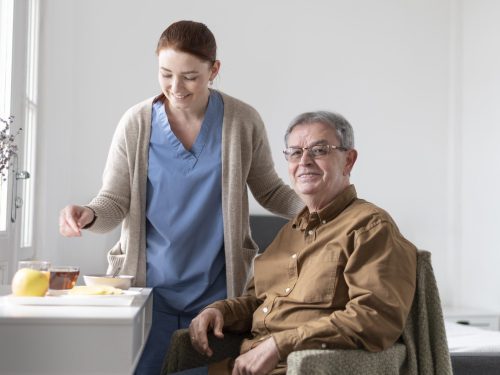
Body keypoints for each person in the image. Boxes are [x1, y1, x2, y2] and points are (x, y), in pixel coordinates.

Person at [58, 20, 303, 375]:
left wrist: (320, 210)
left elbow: (269, 190)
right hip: (147, 292)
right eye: (166, 74)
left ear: (214, 70)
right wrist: (87, 214)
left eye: (190, 76)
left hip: (214, 294)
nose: (176, 87)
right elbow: (112, 202)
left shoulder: (242, 121)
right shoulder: (136, 124)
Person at [187, 111, 418, 375]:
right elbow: (259, 302)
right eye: (295, 153)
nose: (305, 161)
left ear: (348, 160)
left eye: (319, 150)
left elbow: (375, 318)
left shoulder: (370, 227)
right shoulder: (289, 232)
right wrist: (220, 311)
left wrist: (279, 344)